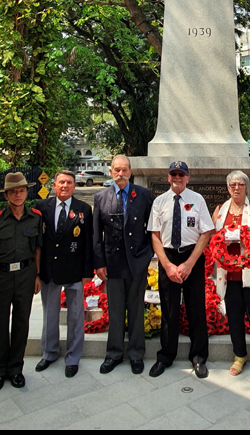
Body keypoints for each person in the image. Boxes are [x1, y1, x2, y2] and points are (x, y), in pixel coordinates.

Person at [147, 161, 214, 379]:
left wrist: (189, 263)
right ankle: (166, 356)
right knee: (168, 310)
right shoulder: (159, 202)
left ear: (188, 177)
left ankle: (198, 357)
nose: (177, 177)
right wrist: (167, 265)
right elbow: (155, 235)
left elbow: (206, 233)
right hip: (168, 257)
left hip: (191, 257)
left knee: (196, 309)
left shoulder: (198, 200)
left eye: (181, 174)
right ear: (168, 177)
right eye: (173, 174)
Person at [0, 172, 42, 392]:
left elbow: (37, 250)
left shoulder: (34, 217)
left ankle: (16, 369)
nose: (18, 195)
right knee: (0, 324)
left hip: (25, 276)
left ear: (27, 192)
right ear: (6, 195)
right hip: (1, 277)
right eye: (13, 191)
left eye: (21, 190)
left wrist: (37, 275)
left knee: (21, 323)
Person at [212, 170, 250, 386]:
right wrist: (222, 243)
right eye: (232, 184)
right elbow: (213, 237)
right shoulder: (220, 210)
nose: (236, 188)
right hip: (229, 275)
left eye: (240, 184)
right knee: (234, 317)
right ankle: (240, 355)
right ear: (228, 188)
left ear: (246, 187)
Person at [93, 155, 153, 375]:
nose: (120, 174)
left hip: (136, 263)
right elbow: (95, 234)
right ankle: (114, 354)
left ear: (130, 171)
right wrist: (99, 264)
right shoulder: (100, 197)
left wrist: (146, 257)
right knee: (116, 309)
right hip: (113, 264)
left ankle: (136, 354)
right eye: (116, 170)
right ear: (111, 172)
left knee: (136, 310)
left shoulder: (144, 195)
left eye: (124, 170)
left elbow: (151, 229)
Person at [34, 170, 93, 378]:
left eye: (69, 182)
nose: (65, 186)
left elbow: (88, 243)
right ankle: (49, 353)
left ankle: (72, 357)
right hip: (49, 270)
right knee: (50, 314)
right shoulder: (42, 207)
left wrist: (88, 271)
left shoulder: (83, 209)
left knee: (76, 316)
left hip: (74, 270)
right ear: (54, 185)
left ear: (74, 186)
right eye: (61, 182)